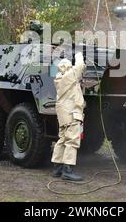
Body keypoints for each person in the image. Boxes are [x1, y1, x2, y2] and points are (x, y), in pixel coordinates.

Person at [51, 52, 86, 181]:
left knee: (62, 139)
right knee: (72, 140)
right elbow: (80, 65)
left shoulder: (59, 79)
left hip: (63, 114)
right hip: (72, 113)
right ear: (68, 68)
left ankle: (57, 168)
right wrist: (79, 54)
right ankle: (68, 170)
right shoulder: (69, 76)